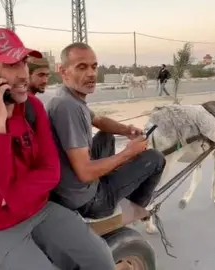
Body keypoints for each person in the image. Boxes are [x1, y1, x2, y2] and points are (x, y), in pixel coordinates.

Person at [0, 29, 115, 270]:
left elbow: (51, 172)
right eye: (11, 65)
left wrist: (5, 198)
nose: (23, 74)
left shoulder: (31, 107)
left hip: (38, 211)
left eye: (23, 62)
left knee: (102, 261)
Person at [45, 42, 167, 220]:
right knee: (156, 158)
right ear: (64, 72)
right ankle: (133, 210)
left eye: (94, 67)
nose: (91, 74)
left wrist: (127, 130)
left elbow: (99, 121)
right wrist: (128, 152)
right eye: (82, 67)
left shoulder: (66, 96)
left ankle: (111, 182)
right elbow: (85, 173)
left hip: (69, 188)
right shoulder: (68, 107)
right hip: (88, 201)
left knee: (106, 135)